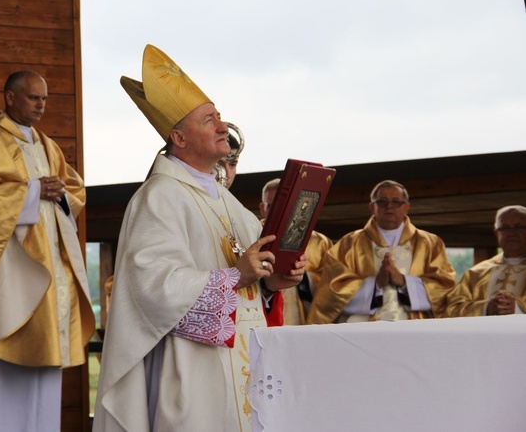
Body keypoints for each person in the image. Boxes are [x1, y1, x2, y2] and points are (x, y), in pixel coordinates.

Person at [94, 45, 306, 431]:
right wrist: (235, 276)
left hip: (245, 361)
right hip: (193, 367)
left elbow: (255, 278)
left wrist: (274, 280)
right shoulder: (159, 197)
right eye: (209, 120)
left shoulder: (228, 203)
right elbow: (151, 287)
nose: (223, 127)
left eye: (220, 117)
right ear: (179, 137)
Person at [0, 69, 95, 431]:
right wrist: (33, 192)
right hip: (7, 276)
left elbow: (73, 191)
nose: (41, 104)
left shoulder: (48, 145)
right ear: (10, 97)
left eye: (45, 98)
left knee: (44, 375)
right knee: (0, 379)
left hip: (48, 276)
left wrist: (57, 191)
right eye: (33, 97)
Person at [307, 180, 455, 324]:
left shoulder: (430, 243)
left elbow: (444, 288)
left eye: (396, 202)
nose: (389, 206)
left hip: (414, 327)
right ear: (372, 207)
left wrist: (404, 282)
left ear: (406, 207)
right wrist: (376, 284)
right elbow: (331, 291)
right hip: (363, 328)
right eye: (382, 202)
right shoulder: (349, 243)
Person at [260, 178, 332, 324]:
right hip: (261, 316)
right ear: (262, 208)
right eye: (273, 206)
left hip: (303, 319)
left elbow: (330, 284)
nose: (279, 212)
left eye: (286, 206)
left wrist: (303, 278)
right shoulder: (252, 234)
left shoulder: (319, 242)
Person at [445, 205, 526, 317]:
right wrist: (486, 308)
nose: (511, 233)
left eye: (519, 227)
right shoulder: (476, 273)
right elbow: (452, 309)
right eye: (505, 228)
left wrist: (518, 308)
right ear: (497, 233)